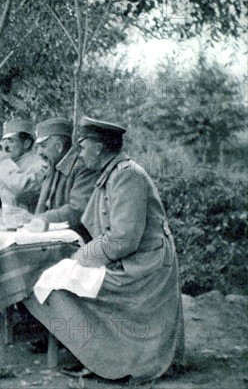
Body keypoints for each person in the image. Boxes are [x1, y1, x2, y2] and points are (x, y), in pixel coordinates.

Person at [25, 116, 184, 383]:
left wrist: (81, 258)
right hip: (132, 260)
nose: (81, 153)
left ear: (99, 147)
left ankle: (103, 358)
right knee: (60, 277)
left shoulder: (126, 175)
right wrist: (82, 258)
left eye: (84, 147)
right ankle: (97, 355)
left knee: (62, 283)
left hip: (144, 268)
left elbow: (123, 238)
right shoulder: (114, 173)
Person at [32, 118, 99, 242]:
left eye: (43, 146)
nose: (39, 152)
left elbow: (77, 210)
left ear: (59, 146)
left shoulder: (82, 167)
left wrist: (41, 218)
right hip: (55, 239)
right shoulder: (54, 165)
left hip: (79, 243)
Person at [0, 119, 44, 212]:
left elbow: (20, 190)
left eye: (11, 141)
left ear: (26, 144)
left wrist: (4, 163)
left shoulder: (39, 166)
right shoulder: (8, 163)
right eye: (3, 141)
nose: (5, 147)